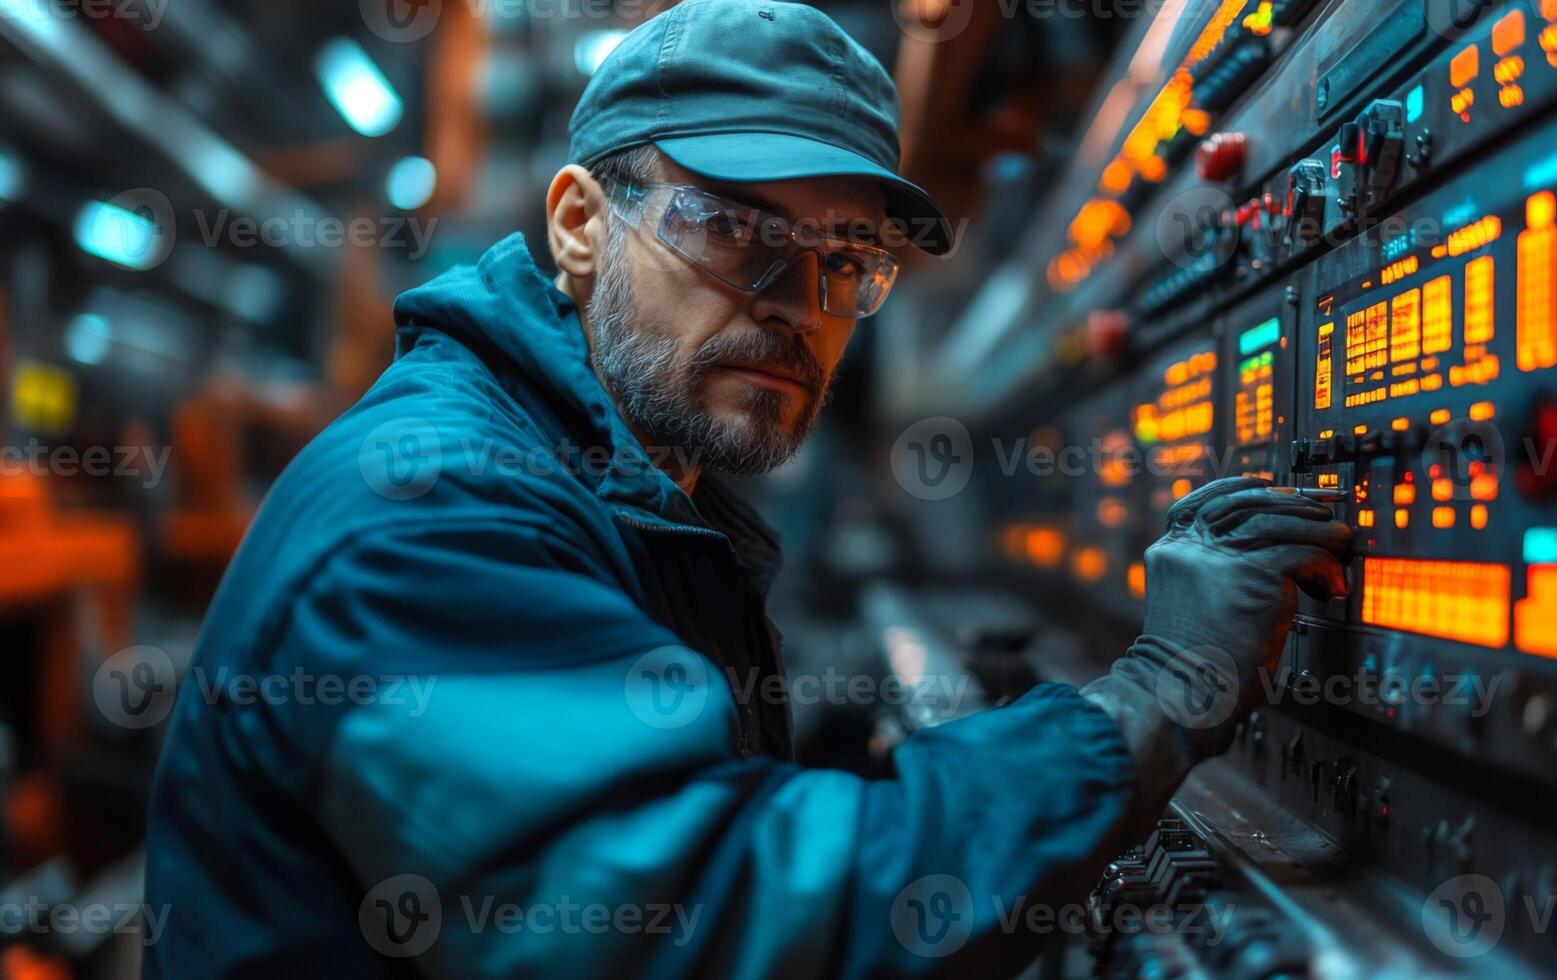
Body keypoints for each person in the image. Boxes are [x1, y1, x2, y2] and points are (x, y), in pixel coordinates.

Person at [142, 1, 1349, 976]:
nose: (794, 302)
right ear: (577, 224)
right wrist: (1151, 698)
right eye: (730, 227)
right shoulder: (430, 508)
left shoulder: (621, 478)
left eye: (844, 259)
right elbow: (711, 922)